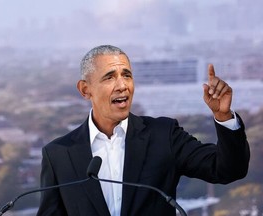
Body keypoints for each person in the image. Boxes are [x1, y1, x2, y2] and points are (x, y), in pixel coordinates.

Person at [37, 45, 250, 216]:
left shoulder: (163, 135)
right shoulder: (58, 154)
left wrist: (224, 117)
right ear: (85, 90)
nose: (122, 85)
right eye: (110, 77)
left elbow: (227, 169)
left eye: (127, 75)